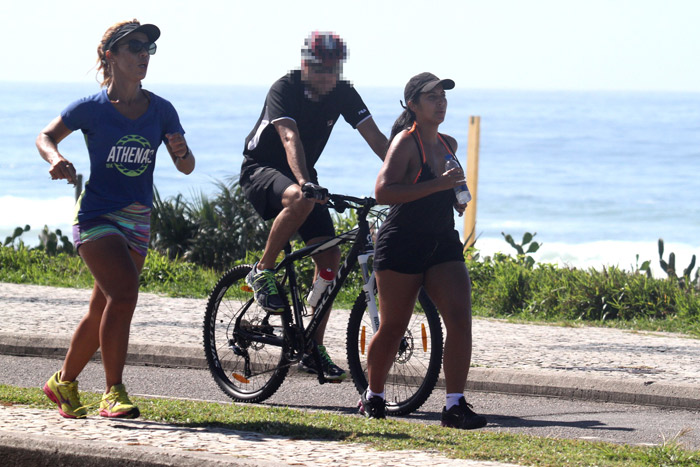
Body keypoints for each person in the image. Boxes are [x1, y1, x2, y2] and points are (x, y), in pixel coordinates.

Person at [36, 19, 195, 419]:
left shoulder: (161, 110)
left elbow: (188, 167)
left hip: (138, 219)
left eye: (149, 49)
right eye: (135, 47)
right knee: (124, 295)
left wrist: (180, 149)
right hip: (96, 216)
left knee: (103, 307)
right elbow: (46, 136)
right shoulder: (91, 108)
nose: (144, 55)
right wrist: (56, 159)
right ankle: (113, 391)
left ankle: (63, 382)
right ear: (111, 56)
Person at [240, 31, 388, 381]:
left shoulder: (343, 92)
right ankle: (263, 270)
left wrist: (405, 176)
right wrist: (305, 183)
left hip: (305, 178)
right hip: (262, 170)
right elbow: (289, 138)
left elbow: (377, 139)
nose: (329, 77)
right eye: (323, 69)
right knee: (297, 197)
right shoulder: (284, 88)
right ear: (306, 64)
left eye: (335, 69)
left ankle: (311, 348)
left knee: (331, 261)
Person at [358, 72, 487, 429]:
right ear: (413, 105)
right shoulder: (405, 142)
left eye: (443, 96)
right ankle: (374, 396)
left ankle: (454, 405)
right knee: (394, 327)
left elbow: (443, 188)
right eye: (431, 97)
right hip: (402, 242)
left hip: (442, 240)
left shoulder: (448, 144)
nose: (440, 102)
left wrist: (453, 197)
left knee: (460, 319)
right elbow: (384, 191)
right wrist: (438, 185)